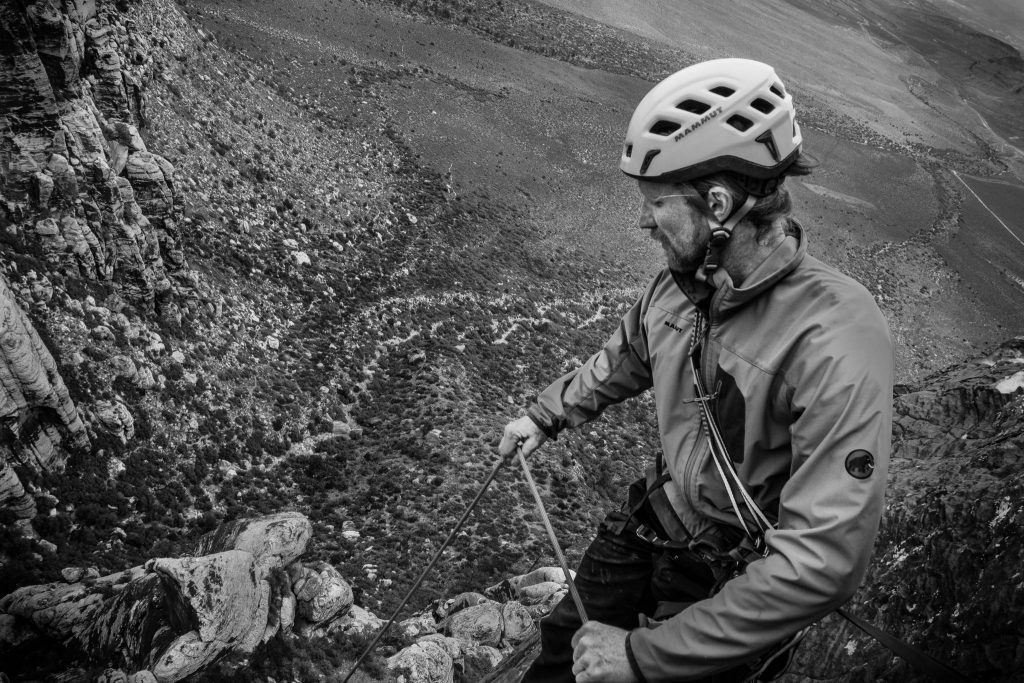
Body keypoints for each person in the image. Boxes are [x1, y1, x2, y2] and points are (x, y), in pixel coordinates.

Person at [498, 58, 895, 683]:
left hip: (734, 573)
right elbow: (630, 352)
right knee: (560, 653)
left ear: (717, 203)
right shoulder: (685, 281)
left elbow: (823, 559)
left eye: (657, 203)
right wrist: (545, 416)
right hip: (658, 511)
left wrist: (640, 657)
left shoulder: (837, 334)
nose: (643, 220)